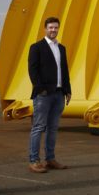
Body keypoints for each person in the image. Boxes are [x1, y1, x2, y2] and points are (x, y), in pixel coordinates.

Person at [27, 17, 72, 173]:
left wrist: (68, 89)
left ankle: (50, 159)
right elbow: (32, 70)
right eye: (51, 27)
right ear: (45, 29)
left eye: (56, 28)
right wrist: (40, 89)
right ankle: (34, 160)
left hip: (59, 93)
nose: (53, 30)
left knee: (53, 128)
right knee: (38, 127)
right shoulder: (36, 47)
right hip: (44, 95)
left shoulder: (62, 48)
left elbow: (64, 70)